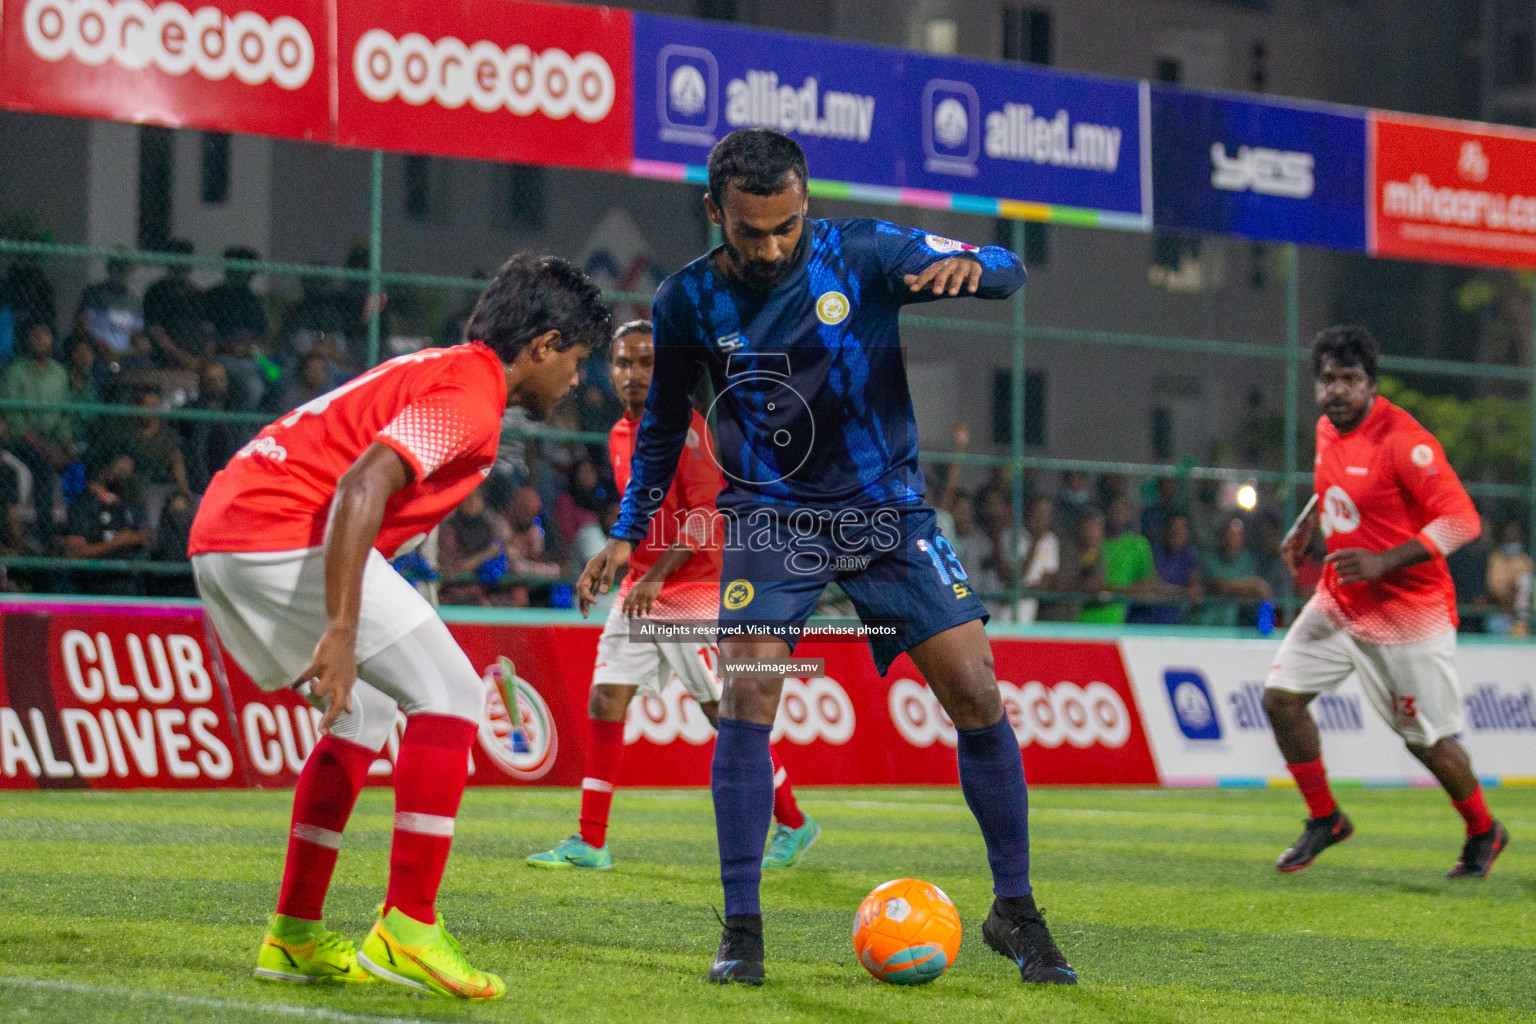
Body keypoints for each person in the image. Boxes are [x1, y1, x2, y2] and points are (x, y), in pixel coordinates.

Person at [577, 129, 1074, 987]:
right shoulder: (686, 299)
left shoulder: (869, 251)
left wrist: (978, 270)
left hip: (886, 509)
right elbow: (660, 427)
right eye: (749, 232)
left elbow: (1007, 265)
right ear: (714, 213)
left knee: (977, 690)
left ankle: (1015, 911)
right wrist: (629, 526)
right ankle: (741, 930)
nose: (770, 248)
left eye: (785, 227)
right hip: (772, 518)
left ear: (806, 201)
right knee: (747, 694)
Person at [188, 253, 609, 998]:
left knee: (367, 713)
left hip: (230, 530)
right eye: (575, 360)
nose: (577, 379)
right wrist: (344, 630)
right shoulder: (473, 398)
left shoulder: (449, 371)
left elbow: (372, 494)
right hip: (280, 530)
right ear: (542, 345)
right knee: (450, 694)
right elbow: (362, 483)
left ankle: (294, 933)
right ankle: (408, 926)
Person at [529, 320, 816, 873]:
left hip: (696, 592)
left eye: (647, 363)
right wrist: (613, 561)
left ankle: (796, 822)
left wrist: (659, 574)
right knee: (605, 699)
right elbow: (640, 519)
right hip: (642, 589)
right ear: (608, 370)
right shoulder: (619, 434)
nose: (633, 374)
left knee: (724, 713)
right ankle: (591, 841)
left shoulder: (687, 429)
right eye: (622, 362)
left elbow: (710, 516)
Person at [1265, 325, 1506, 878]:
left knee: (1427, 743)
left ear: (1372, 385)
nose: (1337, 391)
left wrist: (1383, 561)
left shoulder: (1405, 440)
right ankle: (1325, 819)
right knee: (1280, 699)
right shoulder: (1328, 428)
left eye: (1350, 380)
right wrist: (1307, 523)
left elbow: (1464, 521)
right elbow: (1336, 483)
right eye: (1328, 379)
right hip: (1341, 601)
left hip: (1408, 614)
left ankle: (1484, 830)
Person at [2, 319, 76, 552]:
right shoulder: (15, 372)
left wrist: (65, 447)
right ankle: (46, 536)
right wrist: (49, 450)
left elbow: (65, 415)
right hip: (23, 443)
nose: (39, 341)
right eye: (34, 336)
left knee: (77, 468)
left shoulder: (59, 374)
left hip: (53, 443)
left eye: (44, 336)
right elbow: (16, 422)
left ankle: (76, 533)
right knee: (43, 467)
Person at [62, 452, 151, 595]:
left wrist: (139, 538)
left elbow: (136, 536)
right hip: (96, 585)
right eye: (121, 471)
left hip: (126, 583)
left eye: (128, 473)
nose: (125, 477)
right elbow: (74, 553)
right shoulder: (86, 503)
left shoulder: (123, 503)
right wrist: (117, 542)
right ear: (104, 468)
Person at [1078, 495, 1155, 624]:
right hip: (1081, 618)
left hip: (1115, 621)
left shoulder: (1138, 544)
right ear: (1107, 512)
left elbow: (1148, 584)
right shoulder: (1093, 541)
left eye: (1123, 509)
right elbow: (1085, 584)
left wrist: (1113, 591)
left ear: (1129, 513)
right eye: (1114, 509)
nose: (1118, 514)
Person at [181, 361, 256, 493]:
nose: (215, 384)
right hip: (199, 480)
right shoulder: (190, 411)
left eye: (220, 379)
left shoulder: (235, 410)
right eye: (210, 380)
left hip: (231, 477)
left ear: (226, 382)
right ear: (202, 383)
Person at [1199, 515, 1271, 626]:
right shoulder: (1211, 557)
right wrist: (1249, 585)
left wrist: (1247, 588)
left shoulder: (1246, 558)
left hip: (1238, 620)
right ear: (1223, 537)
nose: (1237, 539)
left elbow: (1256, 591)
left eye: (1240, 536)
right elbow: (1219, 586)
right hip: (1209, 618)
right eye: (1232, 535)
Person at [142, 240, 206, 357]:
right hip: (165, 356)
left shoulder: (198, 293)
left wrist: (203, 360)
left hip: (196, 355)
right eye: (177, 260)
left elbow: (208, 332)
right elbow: (156, 332)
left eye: (186, 260)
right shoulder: (156, 292)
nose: (181, 265)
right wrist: (181, 356)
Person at [77, 255, 143, 356]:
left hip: (125, 356)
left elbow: (136, 335)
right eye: (118, 269)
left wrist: (133, 351)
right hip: (97, 352)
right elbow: (83, 325)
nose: (121, 274)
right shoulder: (93, 294)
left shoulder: (133, 301)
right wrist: (104, 348)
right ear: (110, 269)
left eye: (124, 270)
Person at [1147, 513, 1202, 625]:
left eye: (1181, 529)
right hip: (1150, 619)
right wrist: (1183, 591)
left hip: (1177, 620)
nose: (1177, 533)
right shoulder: (1155, 551)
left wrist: (1192, 589)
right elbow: (1152, 585)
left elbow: (1194, 585)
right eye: (1174, 528)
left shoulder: (1189, 555)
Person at [1485, 520, 1534, 636]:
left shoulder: (1525, 561)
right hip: (1498, 614)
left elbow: (1527, 590)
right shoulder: (1496, 558)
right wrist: (1509, 587)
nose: (1512, 537)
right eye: (1509, 535)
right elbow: (1495, 588)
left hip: (1521, 619)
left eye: (1515, 535)